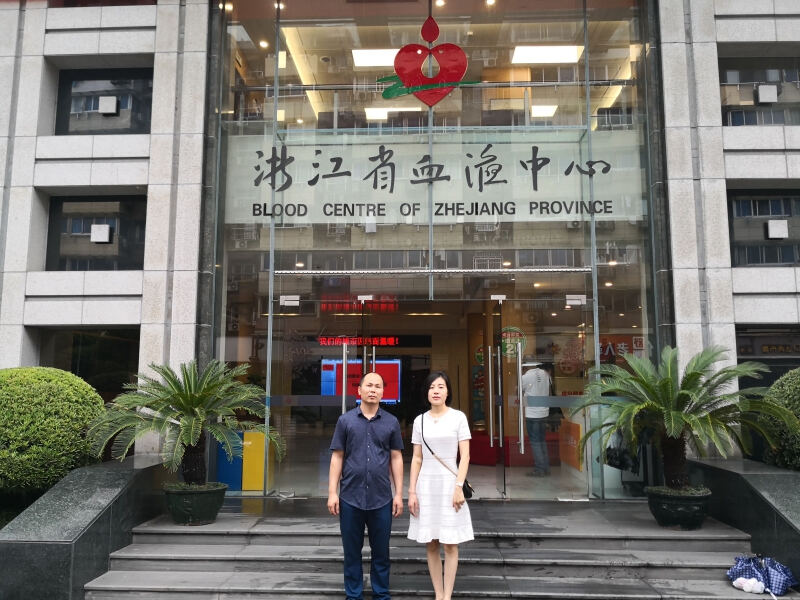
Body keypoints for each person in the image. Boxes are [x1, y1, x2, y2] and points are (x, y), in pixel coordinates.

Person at [328, 372, 404, 600]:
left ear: (383, 392)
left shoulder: (391, 422)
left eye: (378, 386)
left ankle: (381, 594)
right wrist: (332, 492)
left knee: (381, 552)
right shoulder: (345, 421)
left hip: (382, 498)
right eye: (369, 385)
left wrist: (398, 494)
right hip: (350, 497)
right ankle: (354, 595)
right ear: (359, 390)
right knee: (352, 552)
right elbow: (337, 457)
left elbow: (396, 458)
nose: (373, 390)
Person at [407, 370, 473, 600]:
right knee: (432, 543)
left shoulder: (458, 418)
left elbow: (465, 456)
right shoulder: (419, 421)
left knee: (450, 544)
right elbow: (417, 458)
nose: (435, 391)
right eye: (431, 387)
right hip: (426, 486)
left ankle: (448, 595)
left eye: (440, 387)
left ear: (448, 392)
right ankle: (438, 594)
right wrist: (411, 491)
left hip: (450, 485)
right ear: (426, 392)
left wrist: (458, 487)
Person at [521, 359, 551, 477]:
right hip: (544, 413)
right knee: (542, 440)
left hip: (532, 414)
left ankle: (540, 469)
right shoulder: (545, 374)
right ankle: (546, 467)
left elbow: (517, 390)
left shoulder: (526, 377)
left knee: (535, 442)